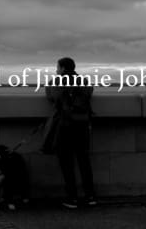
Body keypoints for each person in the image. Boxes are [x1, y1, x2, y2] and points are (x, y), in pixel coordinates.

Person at [45, 57, 97, 209]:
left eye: (57, 67)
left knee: (67, 163)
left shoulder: (58, 82)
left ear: (62, 68)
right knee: (84, 161)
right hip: (82, 125)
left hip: (65, 126)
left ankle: (72, 198)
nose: (56, 70)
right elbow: (89, 93)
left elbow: (51, 97)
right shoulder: (83, 81)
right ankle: (90, 196)